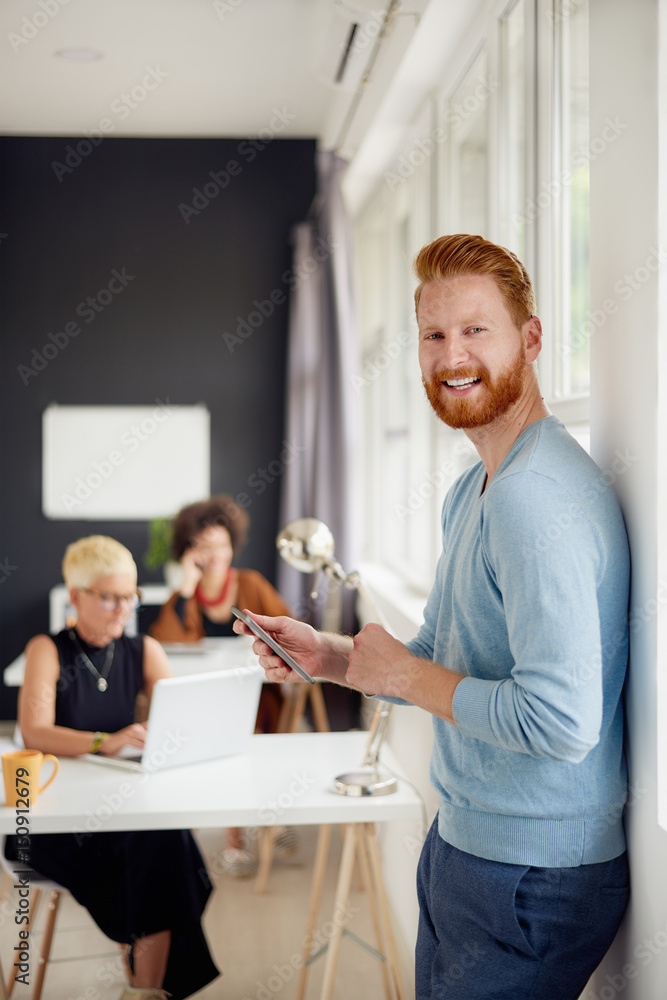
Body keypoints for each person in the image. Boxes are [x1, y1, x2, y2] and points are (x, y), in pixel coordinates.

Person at [233, 234, 631, 1000]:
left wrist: (404, 674)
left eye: (476, 330)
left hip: (528, 877)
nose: (453, 355)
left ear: (533, 338)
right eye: (434, 335)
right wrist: (331, 656)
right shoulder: (473, 488)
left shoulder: (531, 499)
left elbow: (560, 719)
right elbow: (440, 658)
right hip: (470, 846)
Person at [8, 535, 219, 1000]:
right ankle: (148, 982)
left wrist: (166, 734)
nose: (123, 609)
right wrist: (105, 742)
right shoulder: (48, 649)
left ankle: (144, 987)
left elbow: (180, 721)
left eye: (130, 597)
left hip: (123, 810)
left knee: (163, 835)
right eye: (109, 597)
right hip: (56, 822)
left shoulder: (143, 650)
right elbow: (34, 731)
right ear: (77, 596)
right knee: (166, 846)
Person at [149, 494, 299, 876]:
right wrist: (185, 588)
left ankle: (251, 826)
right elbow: (165, 645)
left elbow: (291, 634)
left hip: (256, 696)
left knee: (243, 727)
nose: (216, 553)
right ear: (189, 550)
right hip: (204, 697)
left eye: (222, 543)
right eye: (205, 546)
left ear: (232, 544)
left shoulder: (250, 583)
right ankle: (247, 828)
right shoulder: (186, 595)